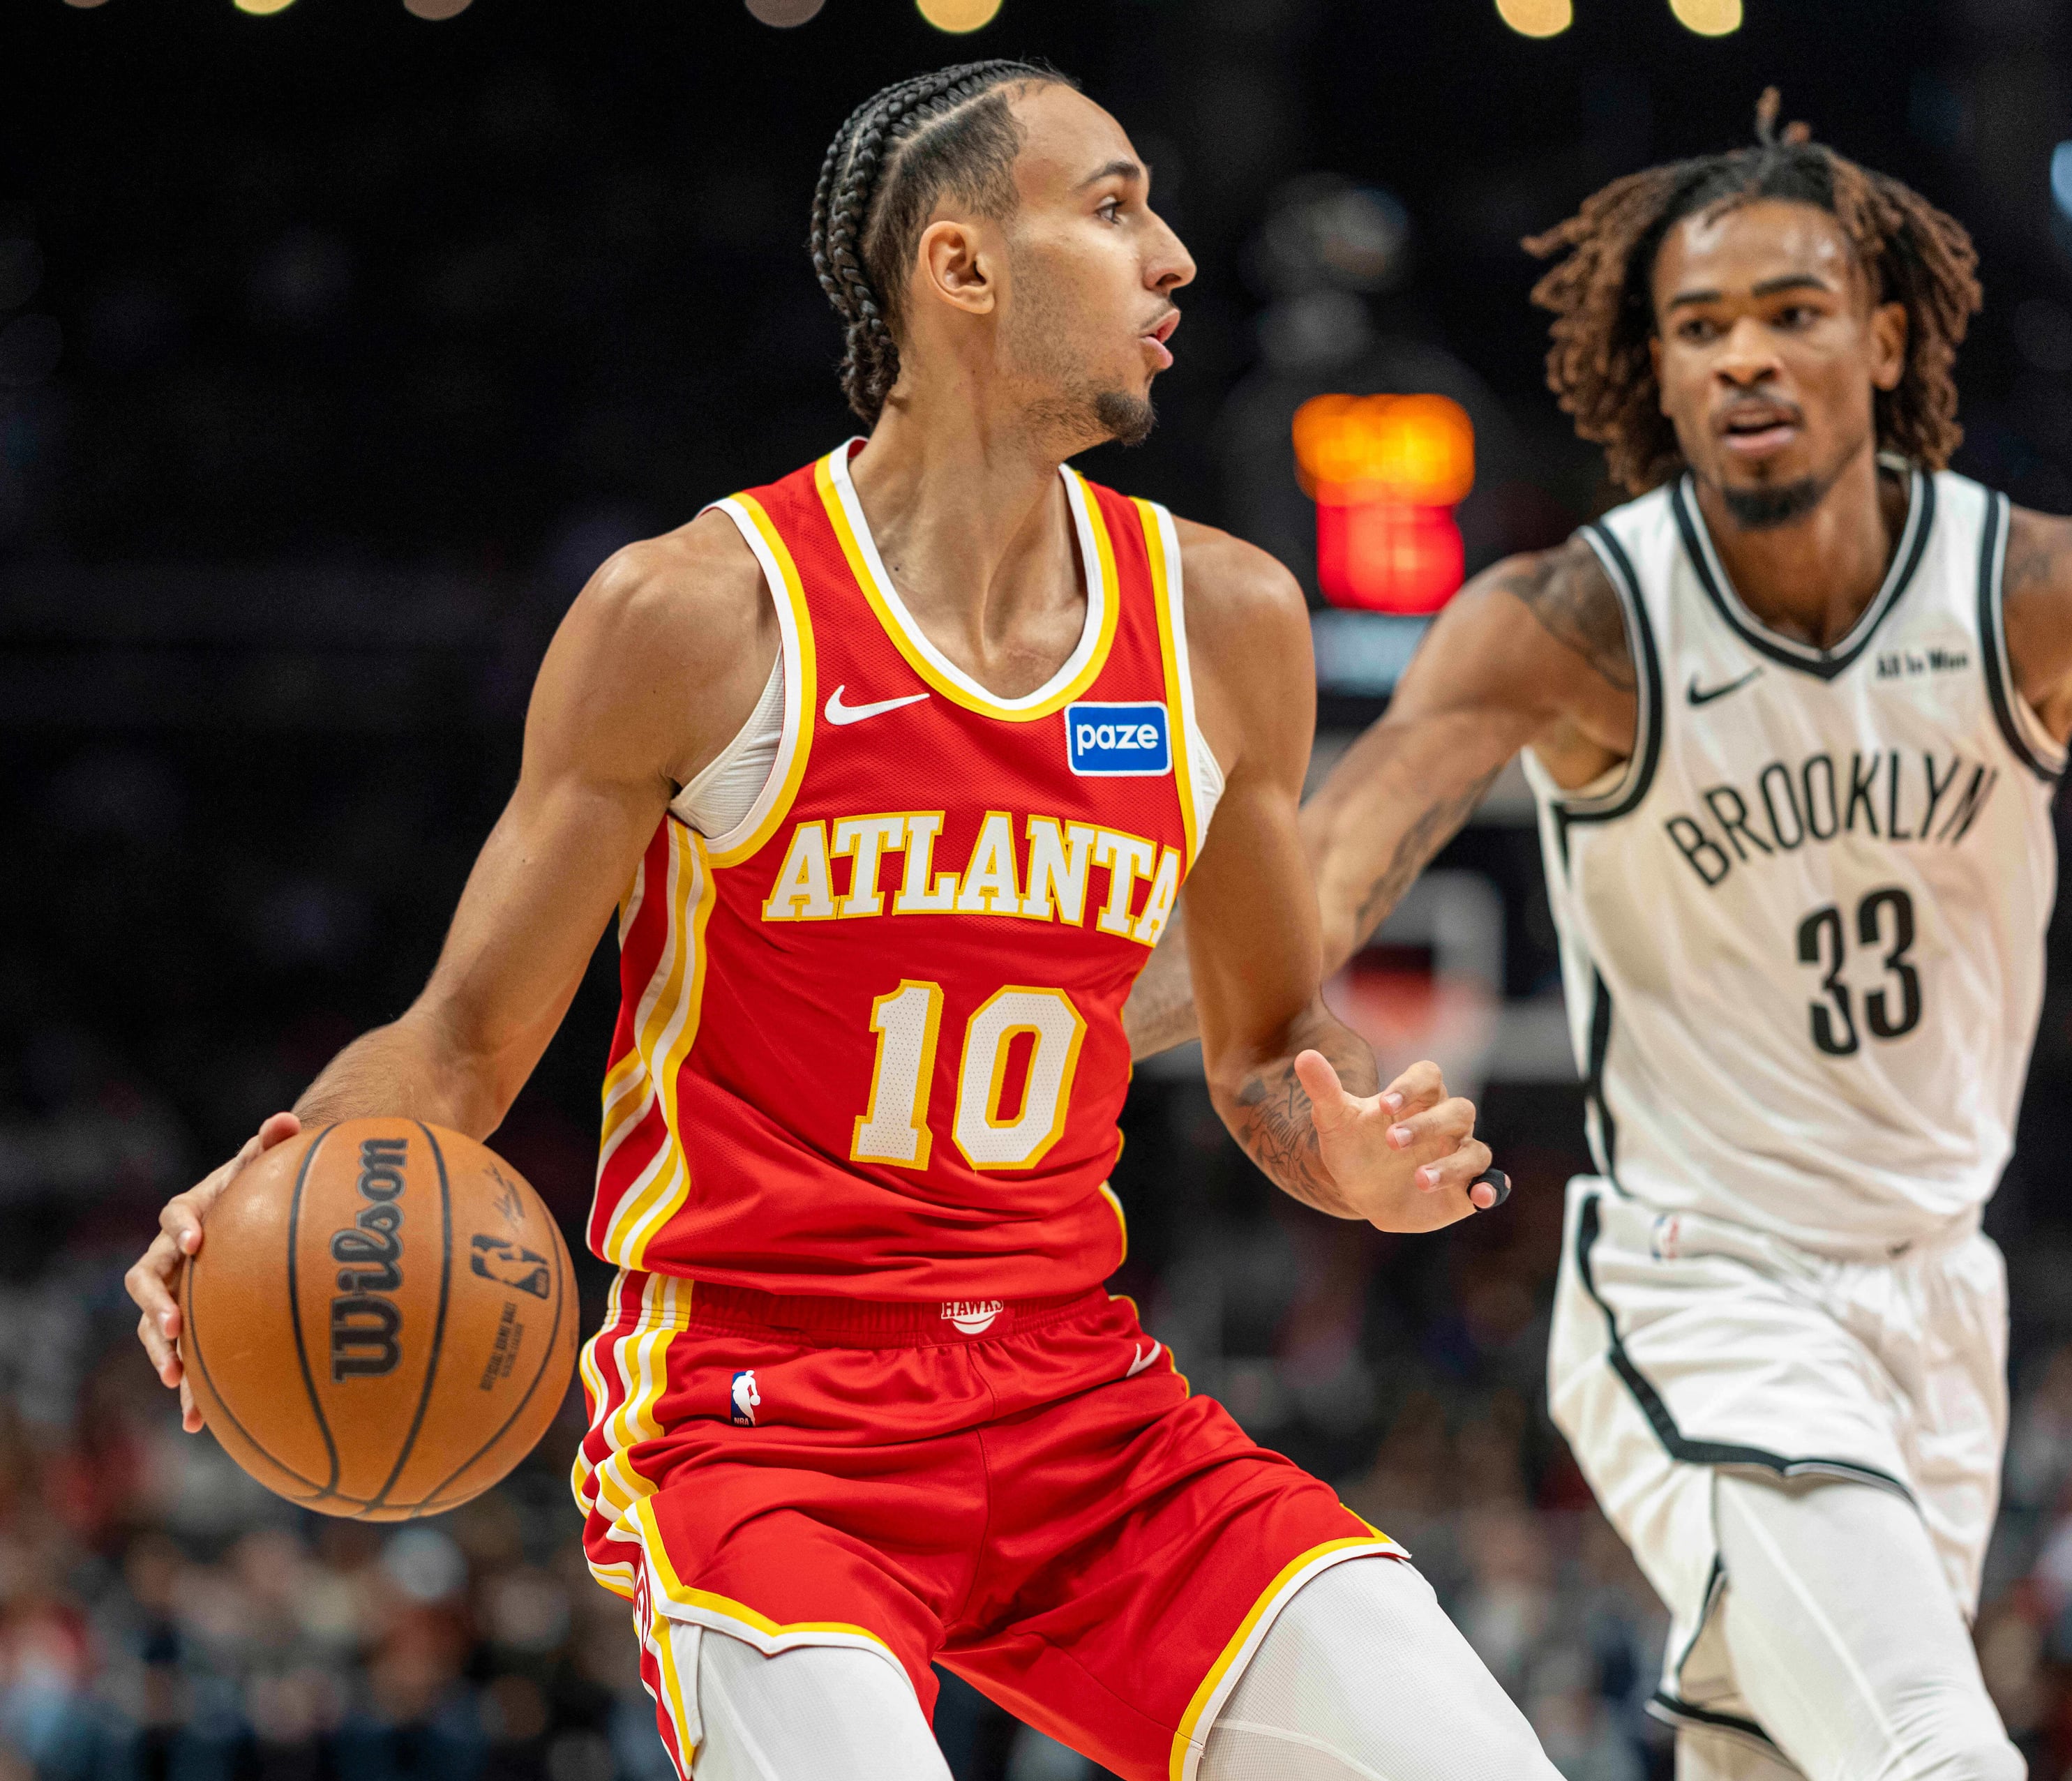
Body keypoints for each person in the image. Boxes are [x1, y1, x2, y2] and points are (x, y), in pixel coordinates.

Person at [1125, 96, 2072, 1781]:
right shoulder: (1574, 622)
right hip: (1704, 1286)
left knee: (1785, 1760)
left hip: (1942, 1302)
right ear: (1656, 372)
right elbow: (1330, 866)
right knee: (1937, 1751)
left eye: (1790, 310)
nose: (1743, 354)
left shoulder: (2042, 588)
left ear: (1882, 338)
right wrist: (1054, 1002)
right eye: (1699, 327)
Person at [121, 62, 1561, 1781]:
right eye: (1113, 207)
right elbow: (459, 1046)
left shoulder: (1224, 620)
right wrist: (270, 1174)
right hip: (761, 1421)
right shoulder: (698, 615)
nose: (1176, 254)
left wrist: (1352, 1151)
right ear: (961, 265)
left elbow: (1268, 1045)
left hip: (1083, 1404)